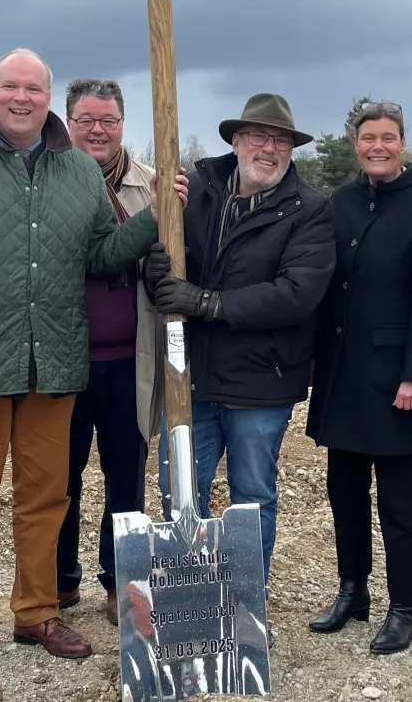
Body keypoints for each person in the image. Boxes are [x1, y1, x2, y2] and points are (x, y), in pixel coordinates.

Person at [0, 48, 186, 680]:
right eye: (10, 86)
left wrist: (159, 211)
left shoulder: (77, 171)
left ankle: (37, 612)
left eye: (33, 88)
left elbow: (102, 257)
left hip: (53, 362)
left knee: (45, 498)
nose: (21, 97)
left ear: (48, 98)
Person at [142, 91, 335, 587]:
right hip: (193, 379)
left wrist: (206, 303)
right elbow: (167, 266)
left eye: (281, 141)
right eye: (258, 136)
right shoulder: (197, 187)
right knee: (180, 490)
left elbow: (295, 293)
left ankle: (247, 599)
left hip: (260, 381)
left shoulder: (309, 210)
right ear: (236, 140)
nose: (269, 149)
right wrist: (157, 271)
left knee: (251, 497)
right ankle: (195, 599)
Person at [305, 100, 412, 655]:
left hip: (397, 379)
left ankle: (403, 607)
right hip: (344, 374)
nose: (377, 146)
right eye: (368, 137)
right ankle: (353, 590)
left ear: (403, 143)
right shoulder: (339, 202)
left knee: (399, 501)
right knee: (344, 490)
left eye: (388, 138)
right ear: (355, 142)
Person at [54, 78, 160, 626]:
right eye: (87, 120)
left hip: (130, 359)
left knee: (126, 477)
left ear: (124, 124)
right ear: (68, 123)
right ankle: (58, 582)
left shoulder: (154, 186)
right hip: (64, 361)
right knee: (59, 479)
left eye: (109, 120)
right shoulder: (46, 185)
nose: (98, 130)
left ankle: (122, 581)